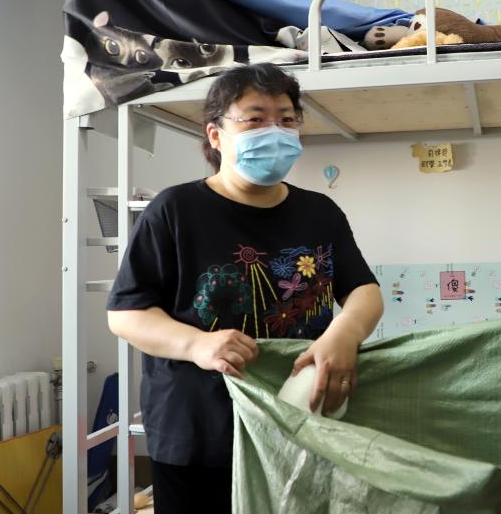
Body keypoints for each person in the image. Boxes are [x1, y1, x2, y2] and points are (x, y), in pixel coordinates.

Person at [107, 63, 383, 514]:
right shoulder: (174, 210)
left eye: (287, 119)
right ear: (216, 135)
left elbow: (363, 290)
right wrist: (196, 344)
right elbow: (126, 313)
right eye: (255, 119)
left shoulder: (321, 212)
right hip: (198, 433)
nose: (274, 130)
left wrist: (345, 332)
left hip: (297, 421)